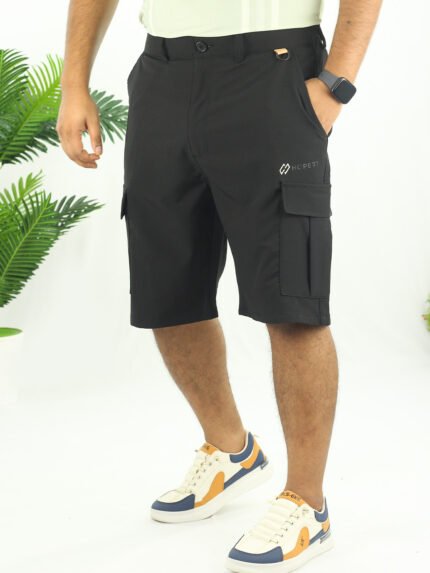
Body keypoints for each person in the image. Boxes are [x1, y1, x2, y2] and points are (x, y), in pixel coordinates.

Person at [57, 1, 382, 570]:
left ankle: (307, 503)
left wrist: (337, 82)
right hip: (163, 75)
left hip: (274, 71)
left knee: (292, 299)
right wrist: (73, 84)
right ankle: (232, 451)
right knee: (167, 291)